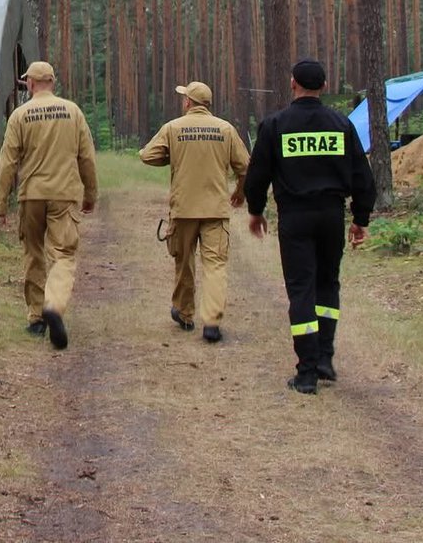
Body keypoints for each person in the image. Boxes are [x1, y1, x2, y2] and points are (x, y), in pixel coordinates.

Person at [244, 58, 376, 394]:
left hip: (295, 217)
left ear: (292, 83)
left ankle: (306, 374)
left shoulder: (275, 125)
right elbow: (363, 177)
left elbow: (257, 174)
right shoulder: (341, 124)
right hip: (332, 215)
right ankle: (324, 359)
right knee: (327, 286)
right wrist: (360, 219)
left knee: (301, 289)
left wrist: (256, 211)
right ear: (325, 87)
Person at [0, 60, 97, 350]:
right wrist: (90, 195)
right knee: (62, 255)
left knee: (34, 253)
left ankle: (37, 318)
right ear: (52, 82)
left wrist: (0, 205)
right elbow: (86, 158)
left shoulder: (20, 115)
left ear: (30, 84)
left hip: (31, 195)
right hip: (64, 194)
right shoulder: (73, 112)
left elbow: (8, 162)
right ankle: (54, 305)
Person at [139, 80, 249, 342]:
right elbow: (245, 167)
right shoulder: (226, 129)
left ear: (188, 102)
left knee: (184, 263)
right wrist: (239, 192)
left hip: (183, 210)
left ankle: (185, 314)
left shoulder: (173, 128)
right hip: (216, 211)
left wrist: (172, 156)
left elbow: (147, 156)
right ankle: (211, 323)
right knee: (215, 266)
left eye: (183, 98)